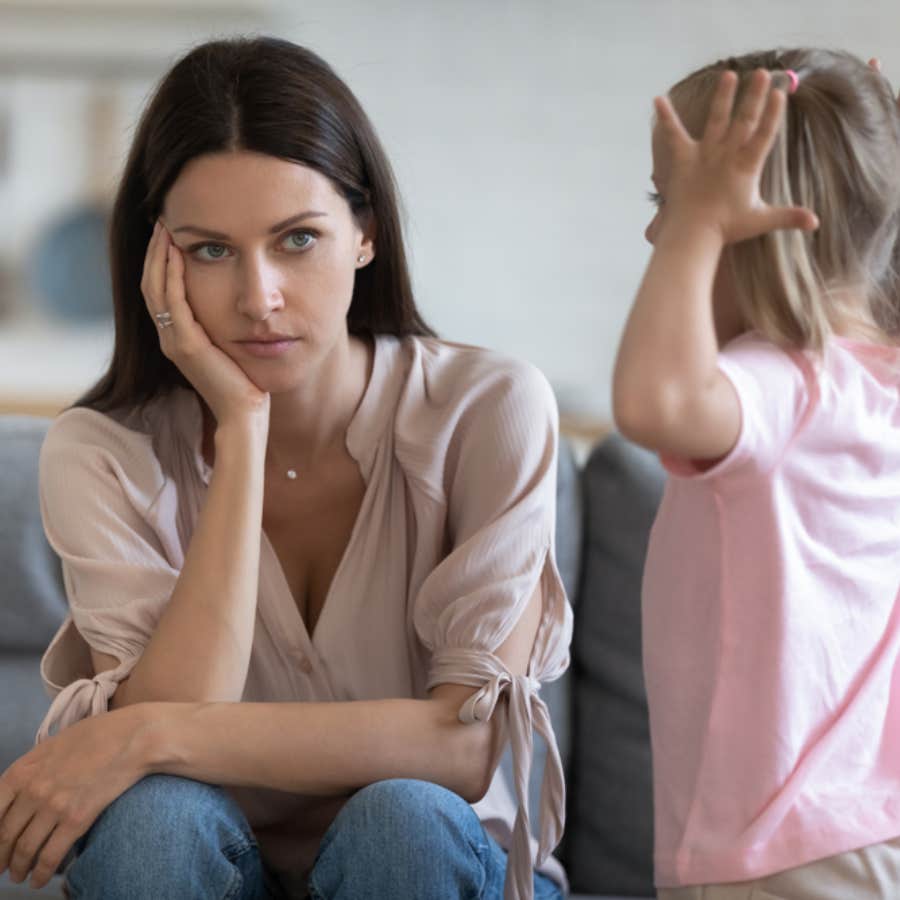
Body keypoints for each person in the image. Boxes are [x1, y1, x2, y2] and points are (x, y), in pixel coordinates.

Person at [0, 36, 572, 900]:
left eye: (297, 239)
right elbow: (178, 730)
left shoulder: (487, 409)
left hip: (434, 867)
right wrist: (241, 430)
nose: (258, 298)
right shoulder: (101, 450)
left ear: (365, 234)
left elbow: (461, 749)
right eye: (211, 250)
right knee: (154, 824)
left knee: (402, 821)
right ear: (157, 260)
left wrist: (141, 734)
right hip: (205, 865)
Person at [613, 48, 900, 899]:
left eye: (671, 203)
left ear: (749, 227)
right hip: (858, 828)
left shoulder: (784, 390)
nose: (656, 233)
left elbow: (651, 400)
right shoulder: (875, 386)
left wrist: (699, 227)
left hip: (777, 852)